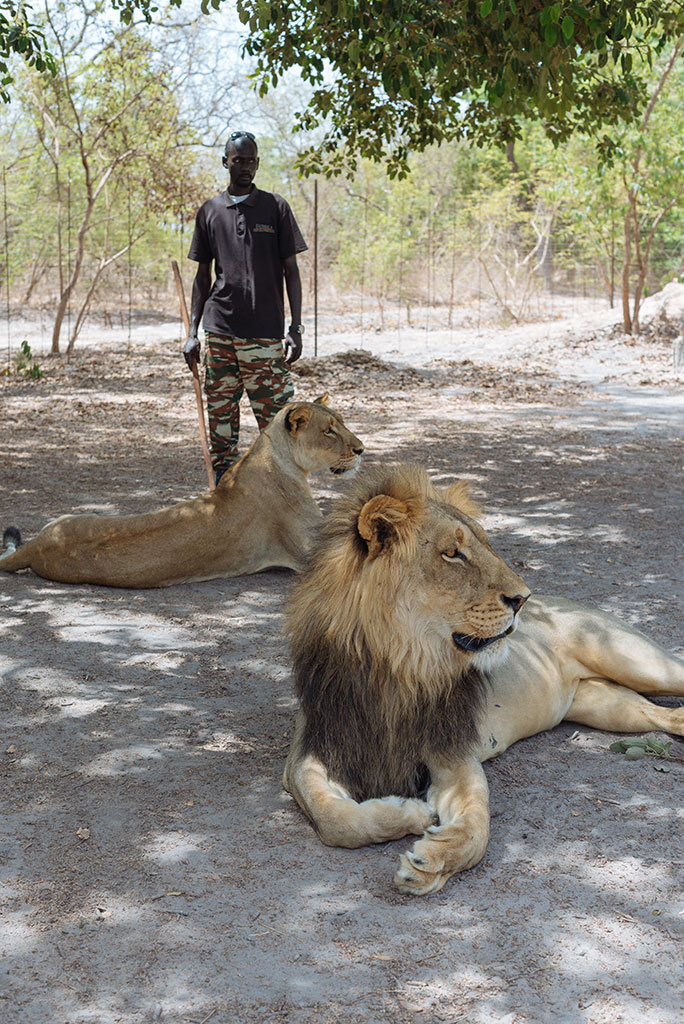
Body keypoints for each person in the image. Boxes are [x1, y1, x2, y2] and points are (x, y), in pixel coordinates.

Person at [184, 130, 307, 484]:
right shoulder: (209, 212)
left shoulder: (275, 207)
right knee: (221, 424)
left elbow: (291, 272)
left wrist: (295, 328)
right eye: (238, 160)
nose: (245, 167)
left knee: (280, 425)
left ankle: (285, 494)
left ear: (257, 163)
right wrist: (192, 333)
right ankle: (224, 496)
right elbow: (202, 277)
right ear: (226, 162)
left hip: (265, 337)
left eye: (251, 160)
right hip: (220, 333)